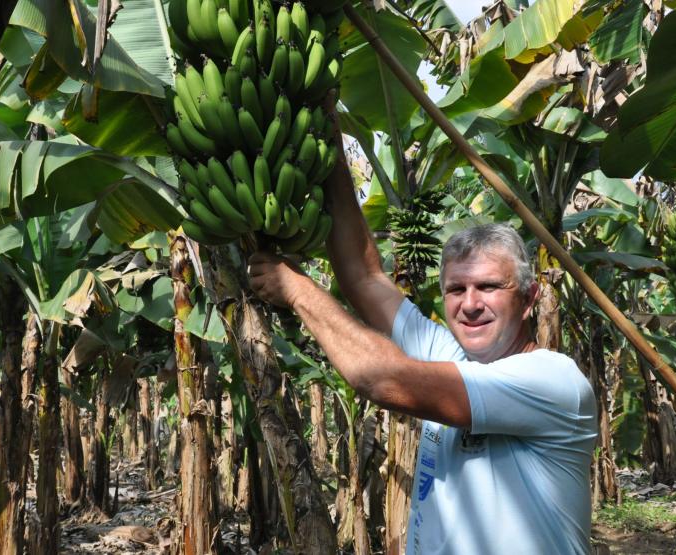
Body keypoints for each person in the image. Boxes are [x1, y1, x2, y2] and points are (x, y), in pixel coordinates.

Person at [248, 142, 598, 554]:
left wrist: (298, 291)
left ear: (528, 297)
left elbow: (382, 380)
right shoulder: (447, 355)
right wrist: (329, 135)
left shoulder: (552, 381)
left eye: (488, 287)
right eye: (455, 289)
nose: (469, 304)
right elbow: (363, 276)